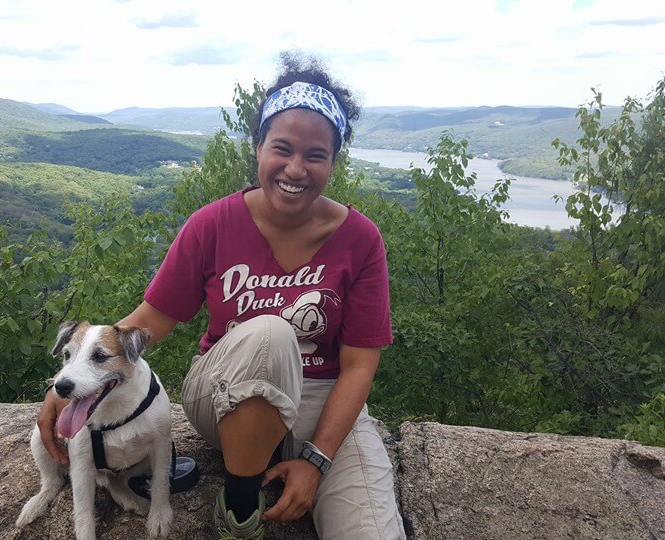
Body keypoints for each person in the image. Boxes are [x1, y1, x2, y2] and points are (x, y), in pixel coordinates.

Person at [36, 54, 405, 540]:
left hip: (322, 404)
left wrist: (316, 460)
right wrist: (71, 382)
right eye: (282, 148)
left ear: (334, 160)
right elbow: (151, 318)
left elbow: (359, 364)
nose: (296, 168)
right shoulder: (213, 224)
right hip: (226, 398)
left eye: (316, 155)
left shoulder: (361, 239)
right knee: (272, 334)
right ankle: (239, 507)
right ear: (257, 148)